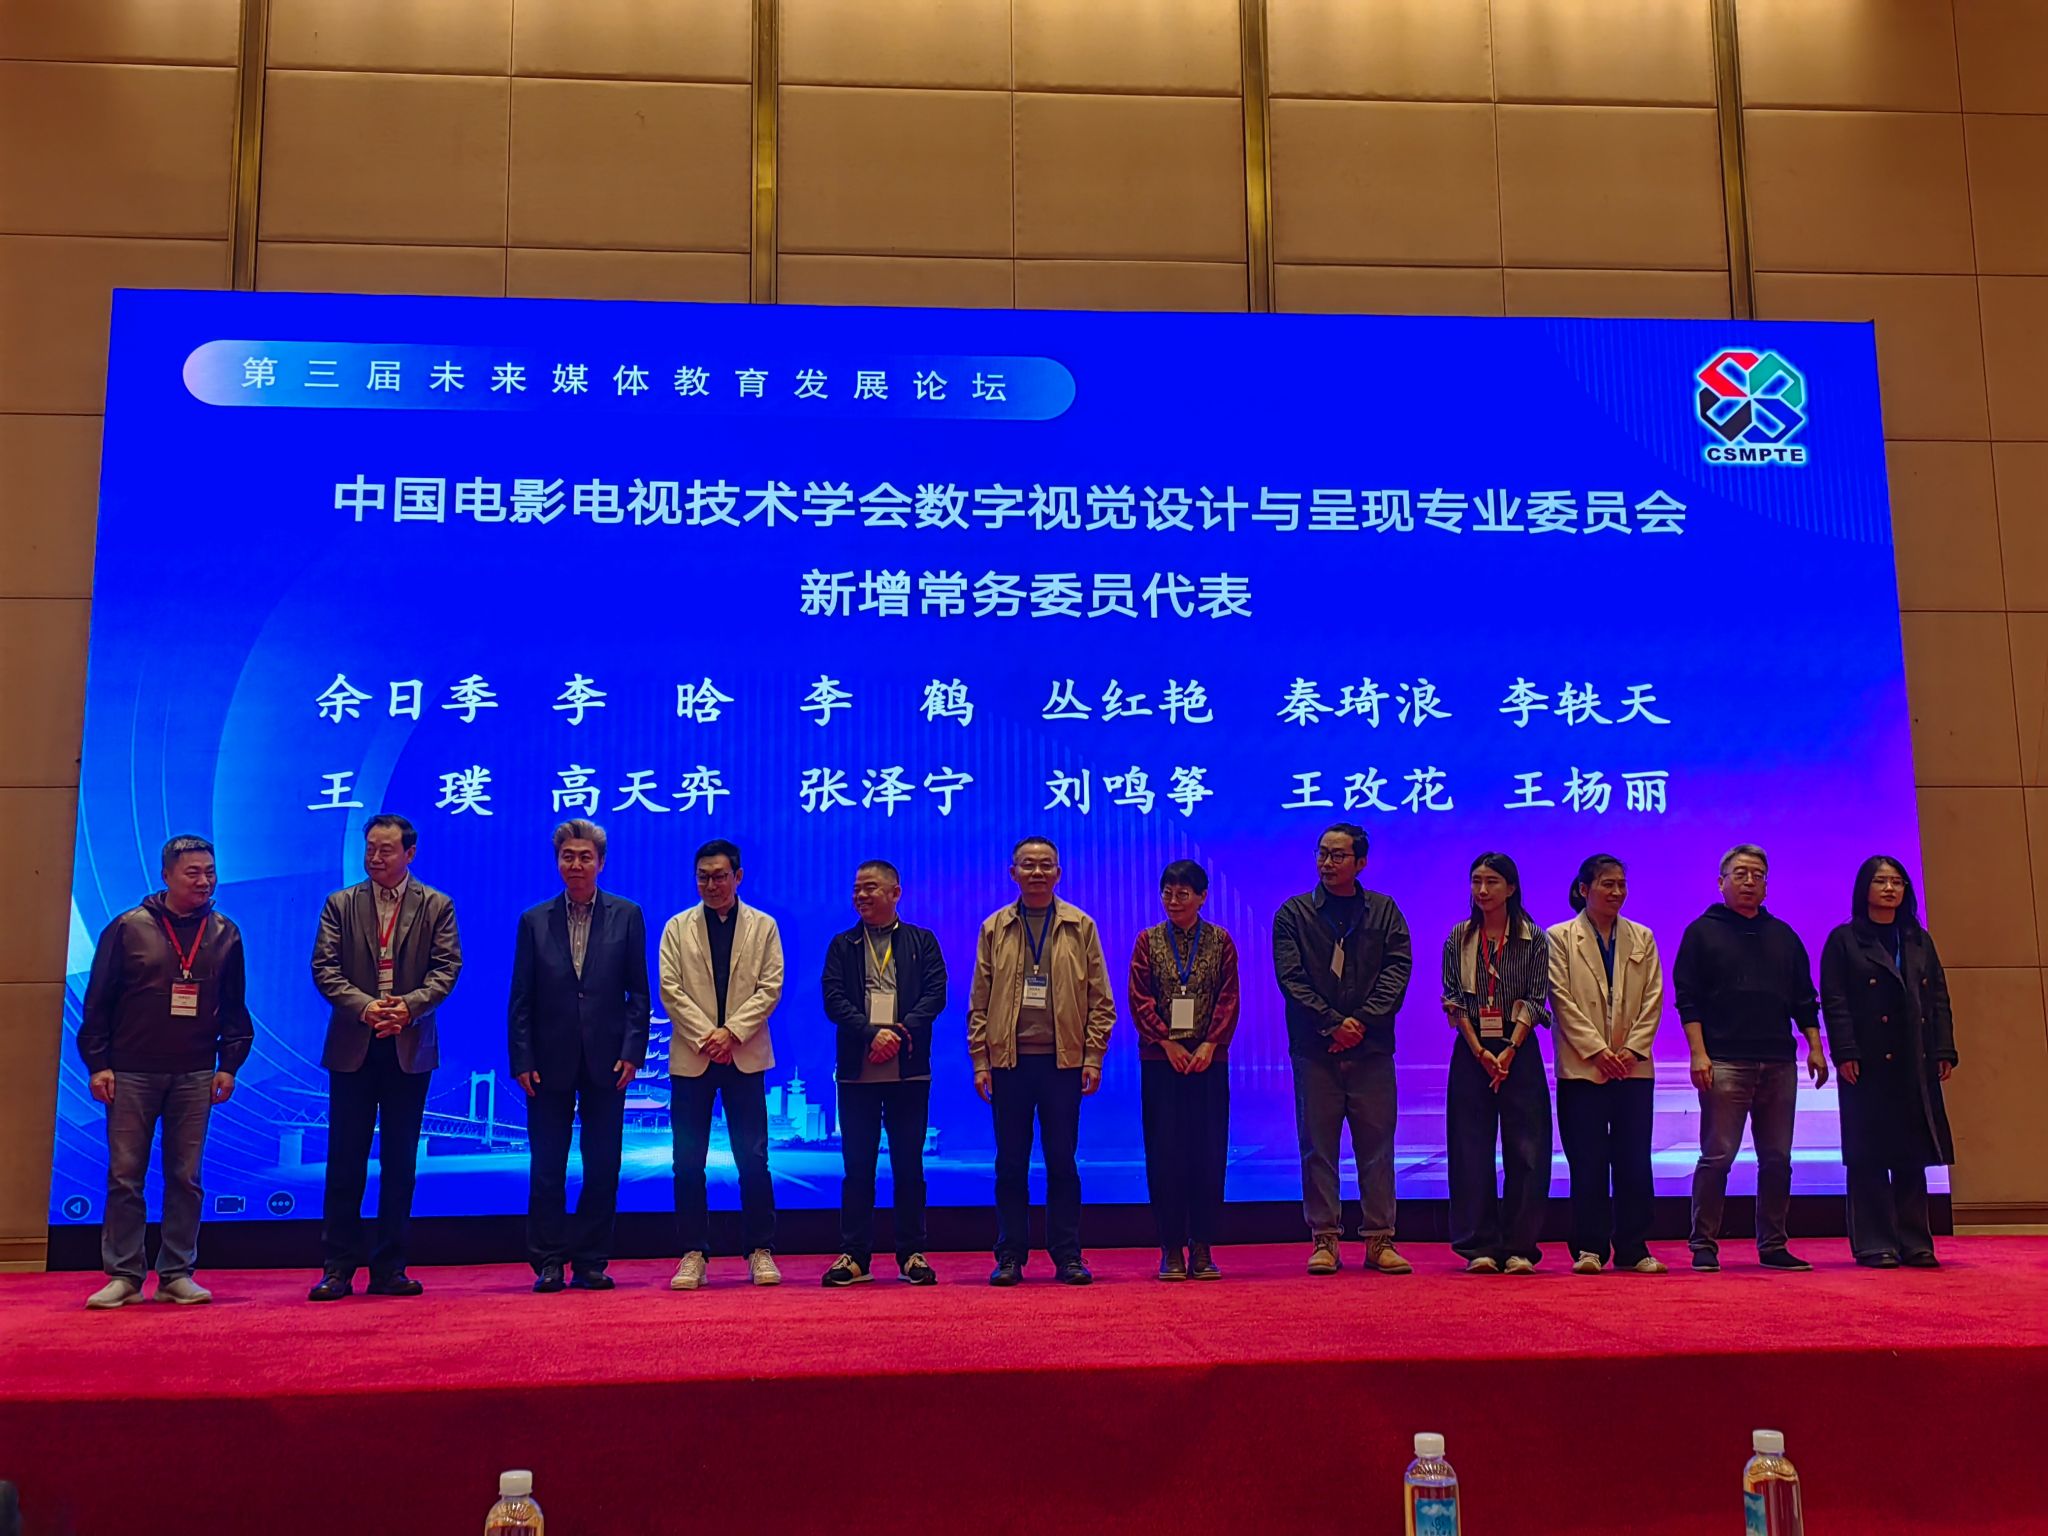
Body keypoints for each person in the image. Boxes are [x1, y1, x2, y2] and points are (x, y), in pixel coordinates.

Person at [77, 835, 251, 1308]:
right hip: (130, 1071)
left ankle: (176, 1273)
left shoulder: (225, 932)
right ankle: (124, 1276)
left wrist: (229, 1065)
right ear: (166, 875)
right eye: (193, 872)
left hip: (196, 1072)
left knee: (186, 1177)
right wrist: (99, 1064)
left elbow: (235, 1008)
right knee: (125, 1176)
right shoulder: (128, 927)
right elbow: (98, 1003)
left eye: (210, 871)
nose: (204, 881)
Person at [309, 814, 463, 1301]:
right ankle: (337, 1267)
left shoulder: (436, 904)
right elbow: (324, 968)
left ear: (409, 854)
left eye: (386, 849)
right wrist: (366, 1007)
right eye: (370, 848)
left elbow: (447, 969)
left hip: (408, 1044)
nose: (375, 857)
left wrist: (409, 1008)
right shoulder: (340, 903)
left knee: (399, 1164)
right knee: (344, 1160)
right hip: (353, 1042)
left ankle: (389, 1268)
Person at [508, 820, 650, 1294]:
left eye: (585, 856)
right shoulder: (533, 920)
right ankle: (548, 1260)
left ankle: (590, 1260)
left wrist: (633, 1052)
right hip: (547, 1061)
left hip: (608, 1062)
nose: (576, 864)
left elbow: (638, 994)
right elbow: (521, 998)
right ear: (557, 862)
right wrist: (522, 1058)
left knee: (603, 1165)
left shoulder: (627, 915)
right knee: (547, 1166)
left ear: (601, 862)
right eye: (567, 856)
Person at [968, 836, 1116, 1287]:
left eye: (1045, 865)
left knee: (1062, 1163)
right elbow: (979, 1001)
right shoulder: (995, 927)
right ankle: (1010, 1255)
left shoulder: (1080, 925)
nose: (1037, 872)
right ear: (1012, 872)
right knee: (1010, 1164)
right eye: (1028, 865)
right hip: (1009, 1063)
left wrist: (1093, 1056)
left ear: (1058, 873)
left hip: (1063, 1063)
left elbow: (1101, 999)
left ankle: (1068, 1255)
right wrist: (981, 1060)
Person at [1675, 843, 1827, 1273]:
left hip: (1779, 1061)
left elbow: (1804, 999)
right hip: (1724, 1060)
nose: (1749, 881)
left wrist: (1815, 1046)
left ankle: (1773, 1244)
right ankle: (1703, 1243)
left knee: (1777, 1158)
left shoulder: (1783, 935)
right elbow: (1688, 999)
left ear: (1766, 885)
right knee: (1717, 1156)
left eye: (1757, 875)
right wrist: (1698, 1053)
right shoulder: (1701, 932)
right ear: (1720, 882)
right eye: (1739, 874)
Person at [1273, 823, 1414, 1276]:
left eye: (1338, 855)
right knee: (1317, 1147)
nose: (1327, 863)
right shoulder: (1293, 913)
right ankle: (1325, 1239)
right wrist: (1333, 1024)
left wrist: (1361, 1023)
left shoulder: (1384, 911)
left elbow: (1397, 971)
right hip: (1315, 1050)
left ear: (1361, 862)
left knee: (1377, 1147)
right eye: (1322, 854)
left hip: (1372, 1049)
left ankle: (1379, 1239)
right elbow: (1291, 980)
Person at [1820, 856, 1959, 1269]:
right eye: (1880, 881)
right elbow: (1835, 1002)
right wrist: (1845, 1052)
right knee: (1869, 1154)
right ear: (1864, 888)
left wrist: (1943, 1050)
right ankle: (1873, 1243)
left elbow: (1938, 999)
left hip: (1914, 1060)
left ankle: (1915, 1241)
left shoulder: (1918, 939)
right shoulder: (1845, 939)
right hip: (1867, 1062)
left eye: (1897, 882)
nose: (1889, 889)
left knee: (1912, 1153)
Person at [659, 839, 784, 1290]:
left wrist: (730, 1033)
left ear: (738, 877)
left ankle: (760, 1250)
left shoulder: (763, 926)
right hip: (693, 1057)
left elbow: (770, 987)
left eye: (720, 876)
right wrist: (707, 1037)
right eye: (703, 877)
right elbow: (670, 989)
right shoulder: (677, 927)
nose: (711, 884)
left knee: (753, 1158)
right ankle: (693, 1253)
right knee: (687, 1161)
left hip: (744, 1055)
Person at [819, 860, 946, 1288]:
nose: (861, 895)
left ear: (895, 893)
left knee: (909, 1166)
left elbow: (936, 994)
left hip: (908, 1069)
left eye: (871, 888)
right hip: (858, 1070)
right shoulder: (843, 944)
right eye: (857, 888)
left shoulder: (921, 941)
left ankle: (912, 1253)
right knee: (857, 1168)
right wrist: (872, 1033)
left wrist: (899, 1032)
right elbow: (833, 999)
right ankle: (855, 1255)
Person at [1548, 854, 1666, 1276]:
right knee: (1588, 1161)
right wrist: (1597, 1051)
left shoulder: (1642, 937)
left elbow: (1653, 998)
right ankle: (1589, 1247)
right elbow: (1561, 1000)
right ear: (1584, 889)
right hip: (1583, 1069)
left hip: (1633, 1069)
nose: (1616, 892)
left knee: (1634, 1160)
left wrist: (1632, 1050)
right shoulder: (1559, 937)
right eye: (1607, 884)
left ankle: (1634, 1247)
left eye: (1621, 884)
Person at [1128, 858, 1240, 1280]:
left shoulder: (1221, 941)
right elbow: (1140, 998)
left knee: (1208, 1153)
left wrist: (1211, 1043)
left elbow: (1229, 997)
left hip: (1209, 1060)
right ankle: (1171, 1248)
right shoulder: (1148, 941)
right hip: (1162, 1061)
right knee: (1165, 1154)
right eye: (1168, 893)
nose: (1174, 901)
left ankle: (1203, 1246)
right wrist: (1167, 1042)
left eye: (1183, 894)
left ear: (1202, 897)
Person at [1441, 852, 1553, 1274]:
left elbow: (1536, 998)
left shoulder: (1532, 936)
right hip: (1472, 1049)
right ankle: (1480, 1245)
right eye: (1476, 881)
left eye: (1491, 882)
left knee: (1527, 1148)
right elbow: (1454, 999)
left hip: (1518, 1047)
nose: (1483, 890)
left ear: (1511, 887)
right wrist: (1479, 1051)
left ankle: (1520, 1246)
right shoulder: (1460, 937)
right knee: (1470, 1148)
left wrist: (1509, 1049)